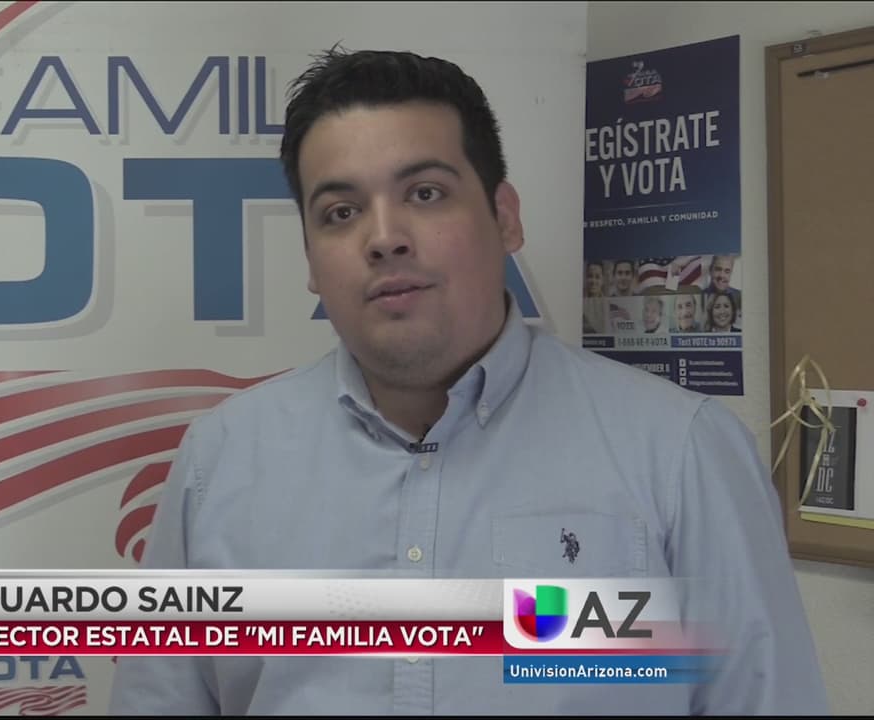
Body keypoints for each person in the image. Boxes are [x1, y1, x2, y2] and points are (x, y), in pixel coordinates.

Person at [108, 48, 826, 715]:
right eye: (340, 212)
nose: (383, 237)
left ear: (504, 217)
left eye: (424, 193)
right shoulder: (222, 461)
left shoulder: (679, 452)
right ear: (309, 256)